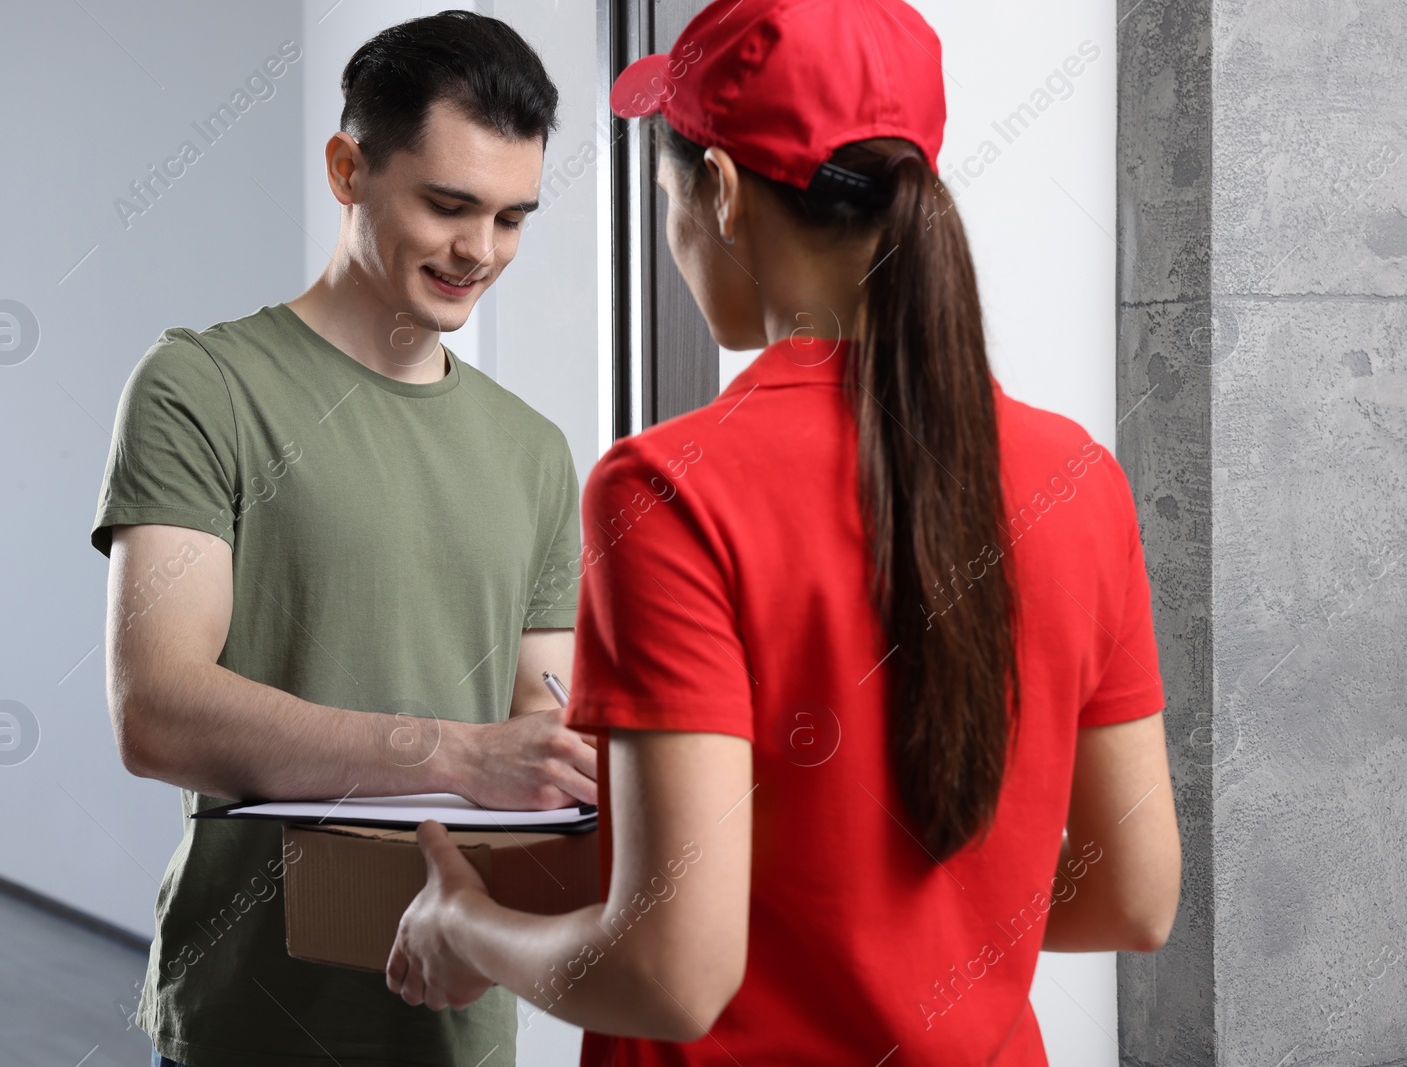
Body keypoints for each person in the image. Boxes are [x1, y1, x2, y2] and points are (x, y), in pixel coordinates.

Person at [383, 1, 1183, 1064]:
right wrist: (902, 936)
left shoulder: (669, 490)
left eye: (668, 194)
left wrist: (465, 930)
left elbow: (671, 974)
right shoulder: (1079, 478)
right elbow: (1134, 894)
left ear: (716, 192)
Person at [90, 12, 598, 1067]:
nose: (480, 251)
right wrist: (459, 753)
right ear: (347, 169)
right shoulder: (202, 387)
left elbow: (534, 739)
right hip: (246, 1016)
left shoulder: (537, 452)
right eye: (448, 205)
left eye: (511, 218)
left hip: (458, 1022)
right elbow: (157, 710)